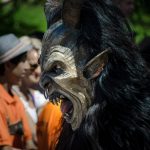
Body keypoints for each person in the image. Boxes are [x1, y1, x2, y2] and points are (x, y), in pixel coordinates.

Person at [0, 34, 36, 150]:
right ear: (8, 65)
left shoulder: (15, 99)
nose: (27, 67)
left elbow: (28, 141)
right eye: (23, 61)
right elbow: (5, 148)